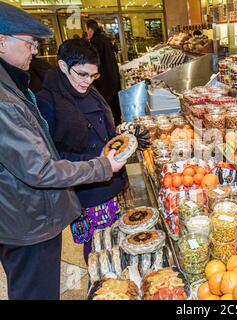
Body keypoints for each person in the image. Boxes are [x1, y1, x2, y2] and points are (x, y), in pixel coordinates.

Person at [0, 3, 126, 300]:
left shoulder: (16, 85)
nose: (34, 50)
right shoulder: (18, 98)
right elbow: (42, 165)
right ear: (2, 41)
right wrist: (102, 166)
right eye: (29, 43)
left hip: (40, 211)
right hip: (31, 218)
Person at [36, 39, 128, 263]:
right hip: (85, 190)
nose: (88, 81)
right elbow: (52, 158)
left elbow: (103, 130)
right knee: (97, 246)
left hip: (109, 180)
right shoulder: (47, 101)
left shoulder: (89, 90)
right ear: (62, 66)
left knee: (114, 241)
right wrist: (97, 163)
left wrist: (124, 137)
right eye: (82, 74)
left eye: (93, 76)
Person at [85, 19, 122, 126]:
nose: (87, 33)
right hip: (113, 78)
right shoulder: (105, 38)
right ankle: (117, 125)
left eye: (86, 30)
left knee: (106, 107)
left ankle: (111, 128)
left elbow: (94, 62)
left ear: (90, 29)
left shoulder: (96, 41)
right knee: (115, 107)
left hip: (104, 81)